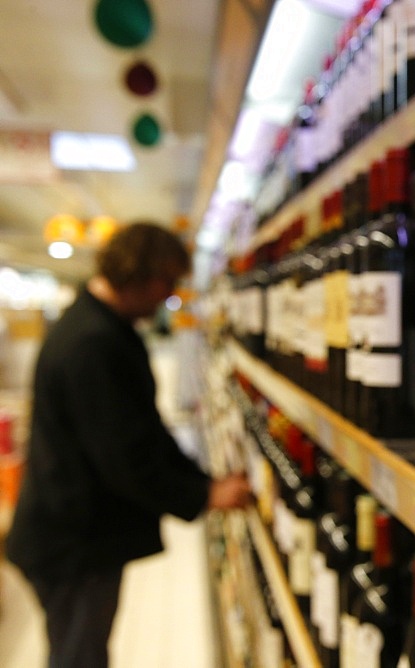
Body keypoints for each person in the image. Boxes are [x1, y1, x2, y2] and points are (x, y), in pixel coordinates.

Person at [5, 222, 252, 667]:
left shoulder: (98, 327)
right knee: (79, 658)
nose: (169, 295)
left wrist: (203, 483)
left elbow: (144, 430)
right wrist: (203, 495)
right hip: (72, 544)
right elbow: (124, 458)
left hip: (70, 533)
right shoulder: (93, 343)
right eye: (168, 281)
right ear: (141, 274)